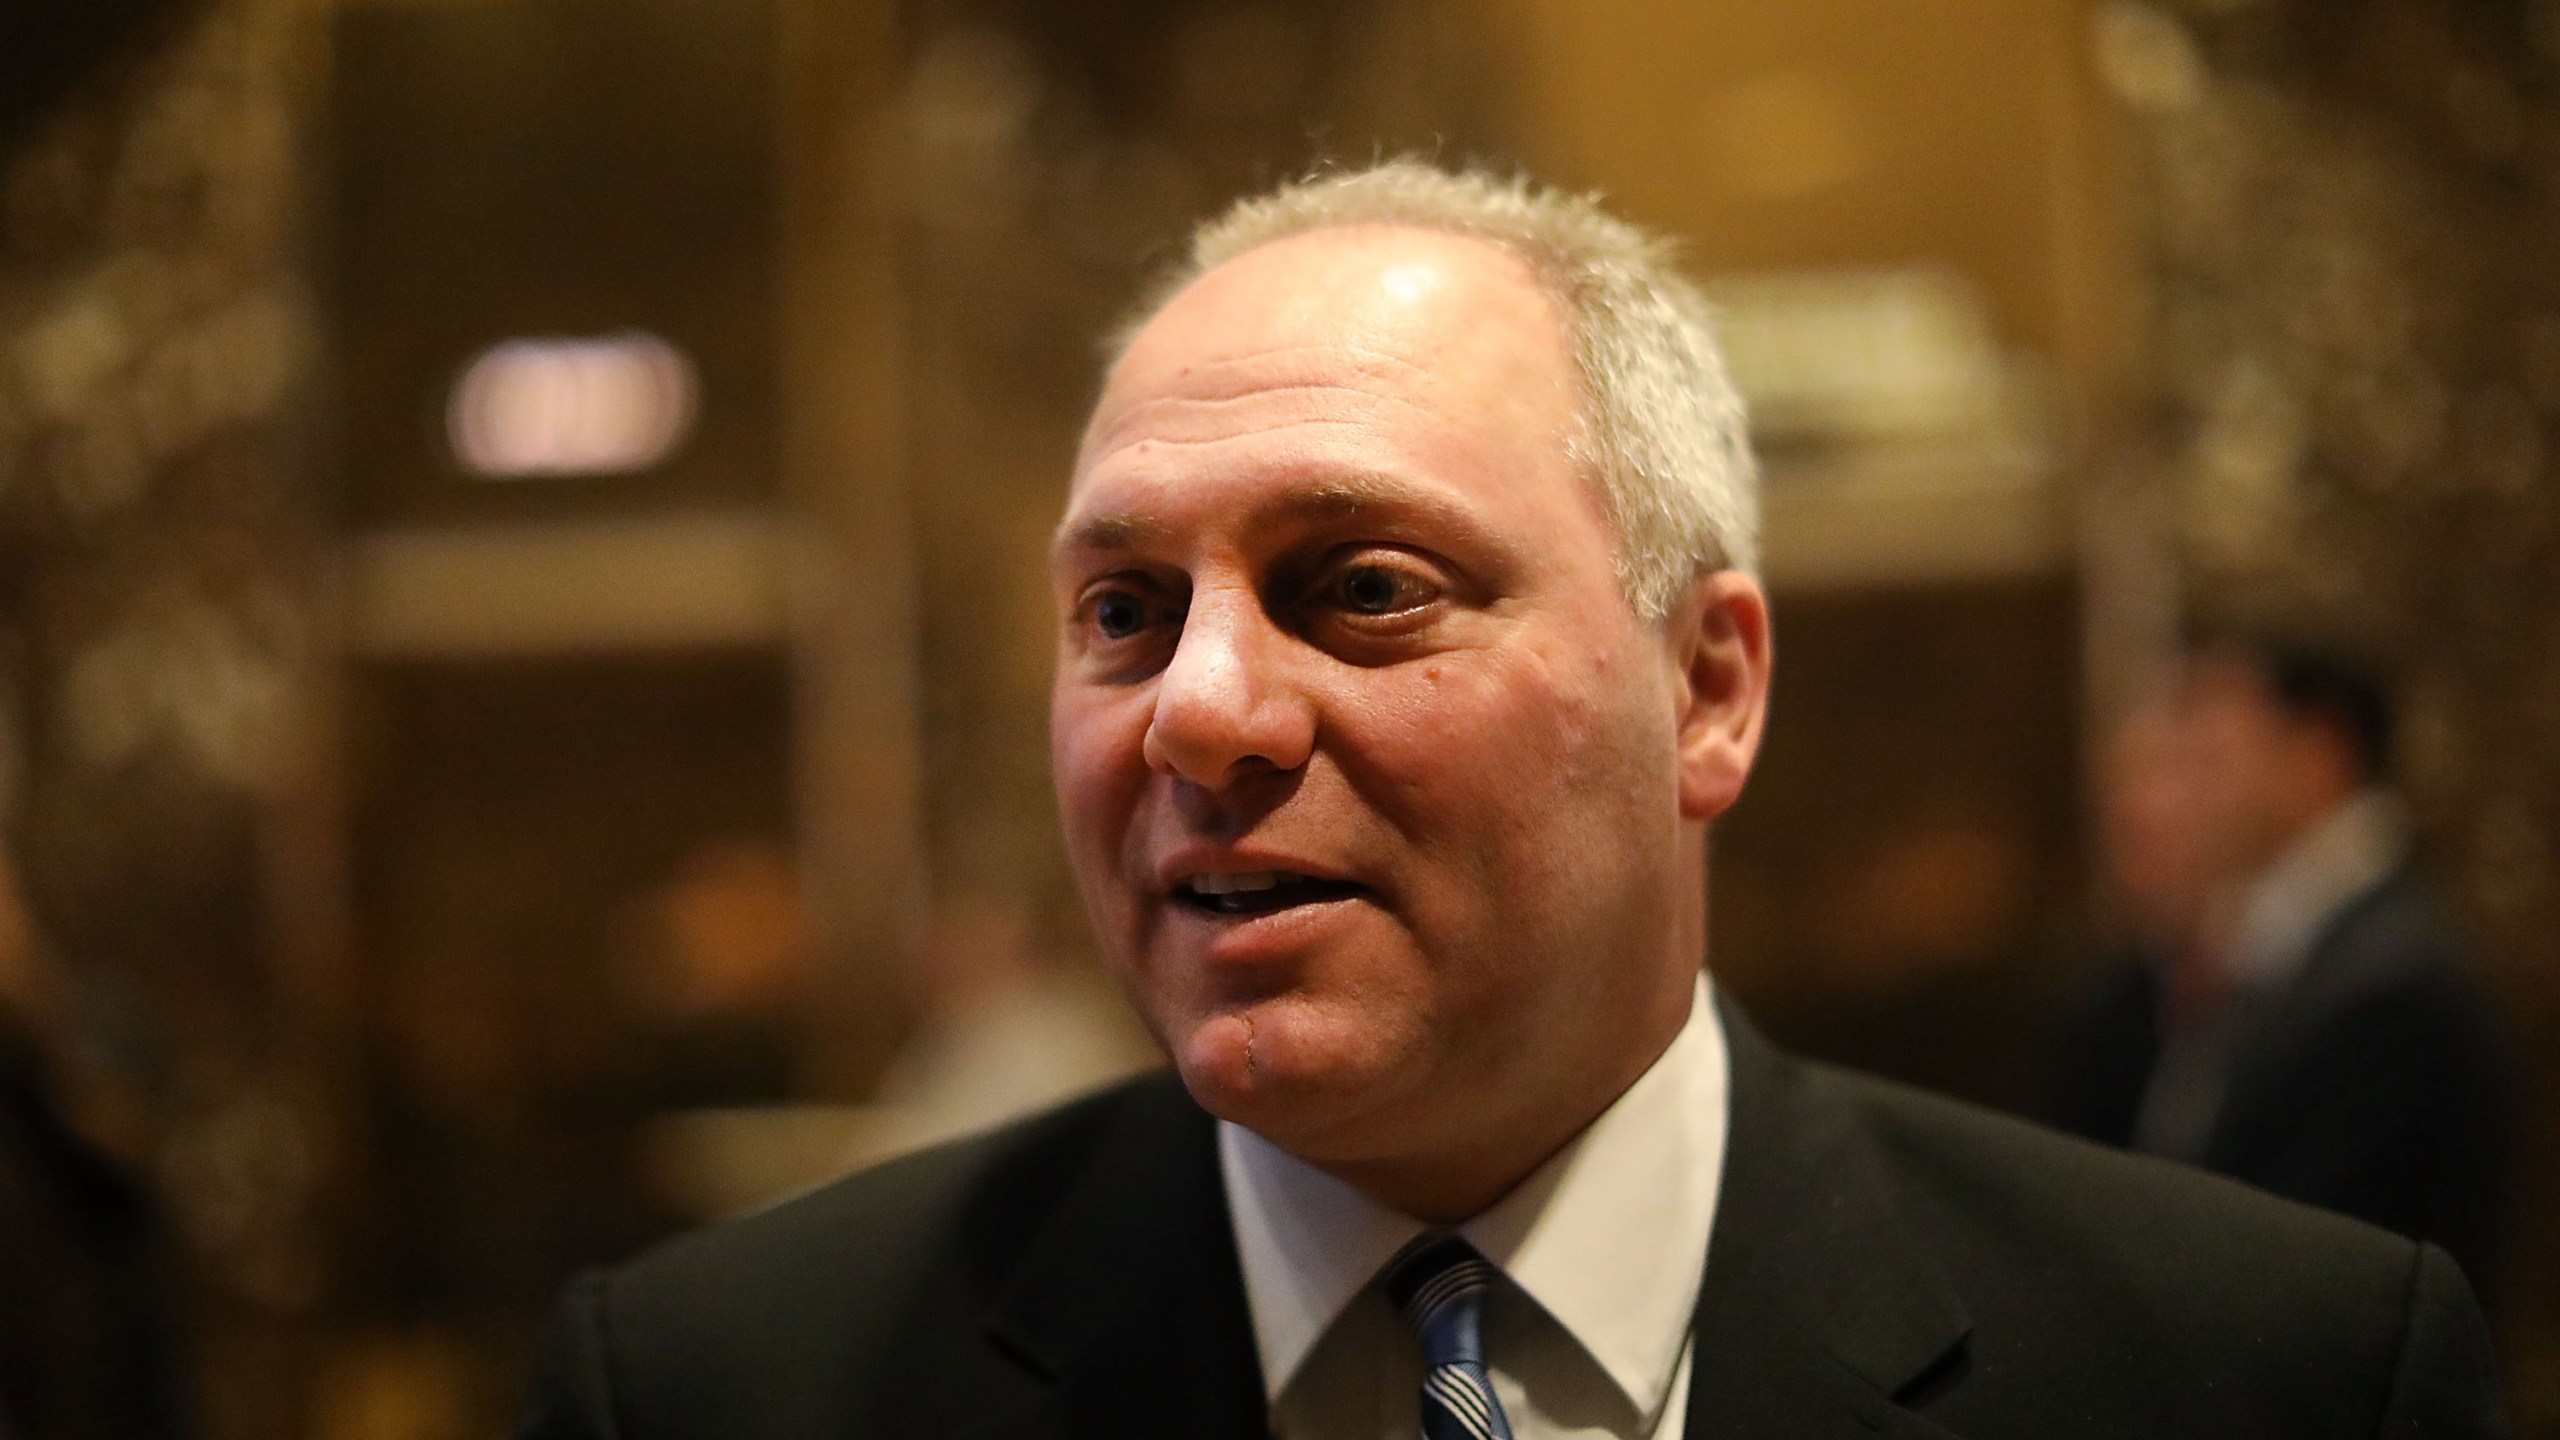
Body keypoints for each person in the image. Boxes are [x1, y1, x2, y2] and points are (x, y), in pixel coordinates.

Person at [519, 163, 2502, 1439]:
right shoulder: (716, 1392)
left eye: (1361, 588)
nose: (1196, 709)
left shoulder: (2262, 1377)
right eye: (1121, 611)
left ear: (1703, 685)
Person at [2051, 628, 2515, 1294]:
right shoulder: (2204, 962)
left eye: (2202, 755)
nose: (2153, 798)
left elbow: (2305, 1283)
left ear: (2316, 753)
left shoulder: (2394, 996)